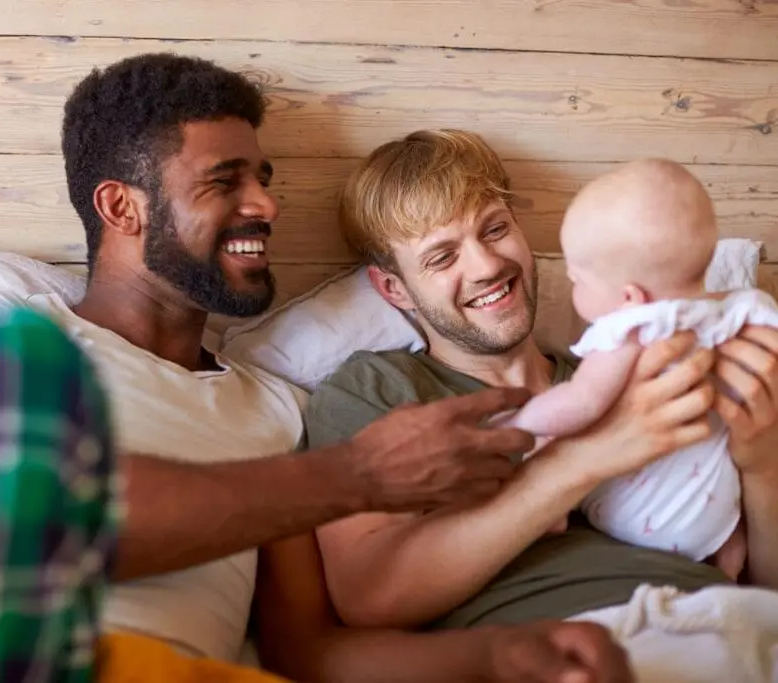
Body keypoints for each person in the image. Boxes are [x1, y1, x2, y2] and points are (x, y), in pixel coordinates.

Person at [0, 55, 634, 682]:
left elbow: (312, 653)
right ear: (120, 206)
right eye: (226, 181)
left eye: (265, 176)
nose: (266, 204)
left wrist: (500, 658)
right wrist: (353, 476)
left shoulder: (275, 414)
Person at [284, 129, 778, 682]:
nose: (486, 266)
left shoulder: (646, 372)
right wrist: (581, 459)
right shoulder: (379, 389)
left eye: (495, 229)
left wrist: (762, 465)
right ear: (395, 289)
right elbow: (370, 593)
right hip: (587, 652)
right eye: (442, 256)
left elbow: (762, 583)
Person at [504, 158, 778, 581]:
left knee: (551, 439)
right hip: (717, 514)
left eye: (577, 281)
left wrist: (521, 422)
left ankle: (553, 513)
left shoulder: (630, 332)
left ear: (630, 297)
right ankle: (728, 554)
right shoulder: (742, 310)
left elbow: (582, 402)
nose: (574, 290)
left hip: (645, 519)